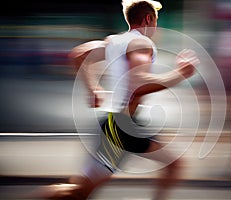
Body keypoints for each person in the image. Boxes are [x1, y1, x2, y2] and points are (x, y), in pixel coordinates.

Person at [30, 0, 200, 199]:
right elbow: (139, 83)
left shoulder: (114, 41)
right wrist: (181, 74)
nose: (157, 27)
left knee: (80, 192)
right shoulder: (142, 43)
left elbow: (78, 55)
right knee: (174, 165)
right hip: (121, 128)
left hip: (121, 124)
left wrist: (92, 87)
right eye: (156, 21)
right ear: (148, 19)